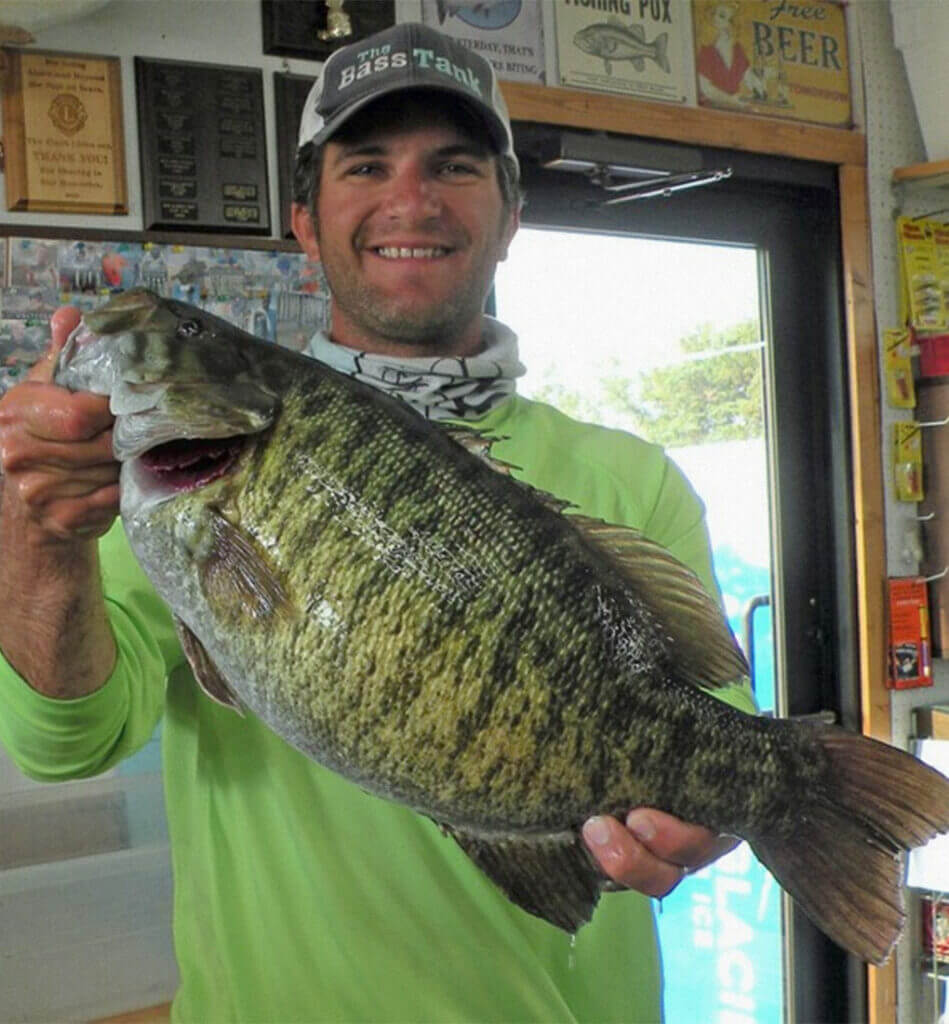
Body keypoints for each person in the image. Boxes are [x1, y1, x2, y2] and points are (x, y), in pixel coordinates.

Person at [0, 22, 755, 1023]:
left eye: (453, 165)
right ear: (305, 220)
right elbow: (69, 743)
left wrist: (723, 810)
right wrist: (41, 537)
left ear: (510, 211)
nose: (411, 200)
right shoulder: (161, 492)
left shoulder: (632, 478)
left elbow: (714, 736)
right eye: (367, 165)